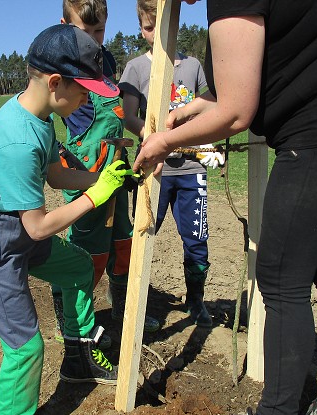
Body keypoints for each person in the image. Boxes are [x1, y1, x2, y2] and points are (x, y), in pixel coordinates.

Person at [135, 0, 317, 415]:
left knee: (280, 278)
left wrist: (165, 141)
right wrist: (188, 110)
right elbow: (247, 78)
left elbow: (235, 113)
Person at [0, 24, 134, 415]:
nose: (88, 99)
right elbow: (36, 225)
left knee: (75, 269)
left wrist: (100, 176)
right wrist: (96, 195)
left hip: (17, 228)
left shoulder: (39, 119)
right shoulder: (17, 140)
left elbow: (56, 174)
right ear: (55, 84)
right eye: (84, 89)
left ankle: (77, 354)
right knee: (26, 346)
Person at [52, 0, 160, 346]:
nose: (95, 40)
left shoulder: (107, 62)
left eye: (100, 31)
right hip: (86, 178)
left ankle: (123, 311)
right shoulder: (62, 68)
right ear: (65, 24)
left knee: (122, 247)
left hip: (116, 173)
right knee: (88, 254)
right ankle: (73, 324)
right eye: (87, 32)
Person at [119, 0, 225, 328]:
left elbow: (210, 106)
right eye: (149, 27)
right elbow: (128, 117)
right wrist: (155, 140)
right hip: (156, 169)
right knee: (145, 231)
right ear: (141, 28)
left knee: (197, 237)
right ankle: (137, 303)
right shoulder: (136, 69)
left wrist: (203, 139)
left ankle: (195, 302)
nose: (155, 33)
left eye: (161, 25)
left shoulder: (193, 67)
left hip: (192, 169)